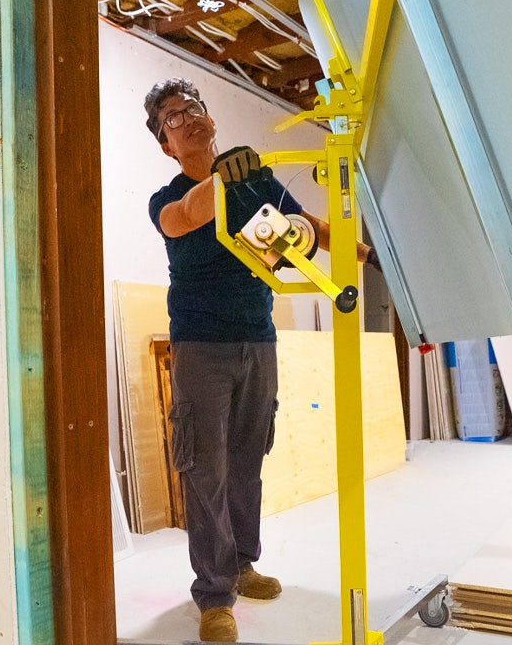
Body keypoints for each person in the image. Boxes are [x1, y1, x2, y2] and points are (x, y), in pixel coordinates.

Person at [144, 77, 378, 643]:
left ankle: (242, 565)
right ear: (166, 146)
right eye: (172, 118)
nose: (187, 118)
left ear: (211, 119)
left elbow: (313, 230)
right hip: (201, 347)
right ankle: (213, 595)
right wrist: (222, 178)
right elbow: (186, 216)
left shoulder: (259, 180)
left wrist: (371, 255)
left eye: (192, 108)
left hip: (259, 339)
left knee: (247, 461)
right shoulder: (167, 198)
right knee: (206, 470)